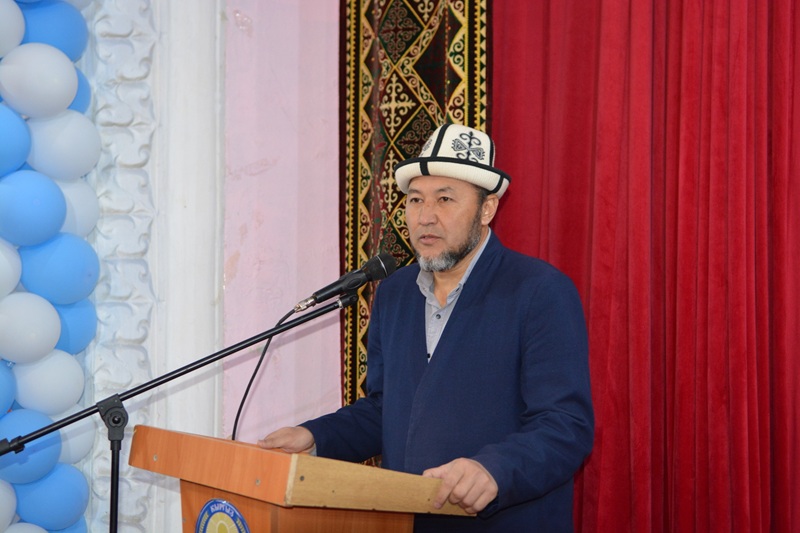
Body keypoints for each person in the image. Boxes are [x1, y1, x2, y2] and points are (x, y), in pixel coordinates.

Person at [258, 124, 594, 532]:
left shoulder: (539, 291)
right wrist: (316, 438)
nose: (425, 216)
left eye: (445, 199)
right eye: (415, 199)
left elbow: (565, 426)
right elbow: (386, 410)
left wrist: (494, 469)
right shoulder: (394, 293)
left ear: (487, 209)